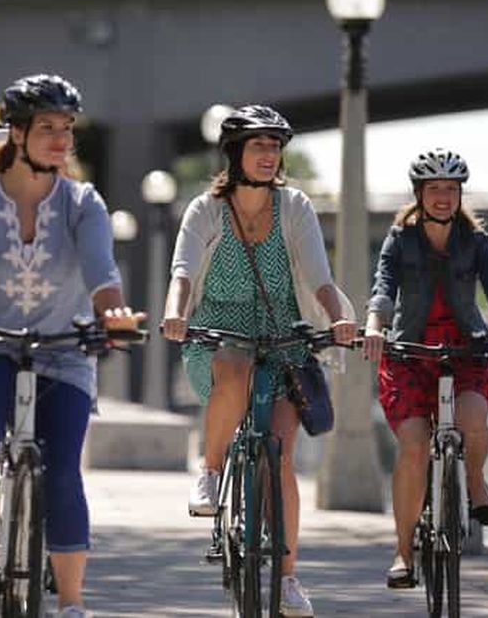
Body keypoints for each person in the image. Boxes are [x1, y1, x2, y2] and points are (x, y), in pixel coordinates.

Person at [0, 73, 142, 618]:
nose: (62, 139)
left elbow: (100, 269)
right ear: (16, 134)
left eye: (67, 128)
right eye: (47, 127)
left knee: (63, 470)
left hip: (64, 350)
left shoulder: (82, 202)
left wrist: (111, 312)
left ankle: (70, 603)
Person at [162, 105, 356, 618]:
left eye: (275, 146)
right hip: (217, 334)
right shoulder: (206, 209)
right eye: (258, 146)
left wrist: (338, 317)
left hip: (284, 341)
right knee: (233, 369)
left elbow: (318, 274)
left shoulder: (294, 207)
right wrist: (174, 313)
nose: (269, 155)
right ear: (235, 154)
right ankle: (210, 470)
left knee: (282, 457)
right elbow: (183, 270)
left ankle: (288, 579)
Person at [361, 148, 488, 589]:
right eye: (434, 188)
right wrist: (374, 328)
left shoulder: (476, 242)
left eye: (451, 189)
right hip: (410, 352)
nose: (442, 196)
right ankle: (403, 552)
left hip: (465, 350)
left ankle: (474, 482)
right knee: (414, 447)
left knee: (474, 423)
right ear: (419, 194)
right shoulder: (400, 239)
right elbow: (382, 291)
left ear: (459, 195)